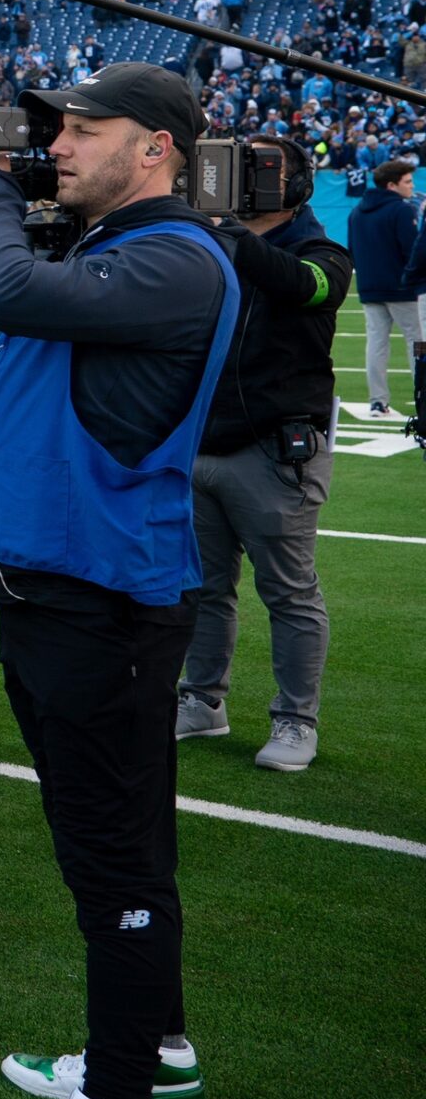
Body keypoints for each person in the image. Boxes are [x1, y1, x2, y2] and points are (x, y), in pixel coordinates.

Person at [0, 64, 236, 1099]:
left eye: (81, 130)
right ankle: (162, 1063)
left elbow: (9, 291)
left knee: (118, 866)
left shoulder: (175, 258)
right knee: (104, 851)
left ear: (153, 147)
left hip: (103, 606)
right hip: (52, 593)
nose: (55, 145)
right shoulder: (103, 255)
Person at [179, 139, 345, 773]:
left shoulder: (320, 250)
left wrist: (227, 234)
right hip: (204, 442)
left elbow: (308, 288)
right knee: (202, 586)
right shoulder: (208, 245)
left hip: (277, 452)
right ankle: (201, 699)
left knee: (290, 591)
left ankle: (296, 718)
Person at [345, 157, 418, 420]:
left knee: (376, 344)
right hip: (403, 289)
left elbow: (352, 250)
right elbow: (412, 250)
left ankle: (377, 401)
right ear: (391, 185)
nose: (412, 186)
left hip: (369, 287)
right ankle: (422, 398)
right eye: (407, 181)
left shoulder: (356, 212)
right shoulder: (402, 210)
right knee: (417, 344)